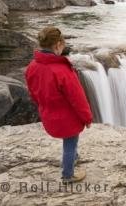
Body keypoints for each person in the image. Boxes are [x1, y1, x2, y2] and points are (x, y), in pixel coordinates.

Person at [25, 27, 93, 183]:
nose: (64, 47)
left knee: (70, 142)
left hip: (48, 114)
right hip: (67, 118)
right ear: (57, 45)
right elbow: (78, 99)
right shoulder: (62, 70)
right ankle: (68, 175)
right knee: (70, 143)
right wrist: (87, 118)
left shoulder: (32, 66)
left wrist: (43, 106)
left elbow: (33, 92)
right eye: (64, 44)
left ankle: (74, 156)